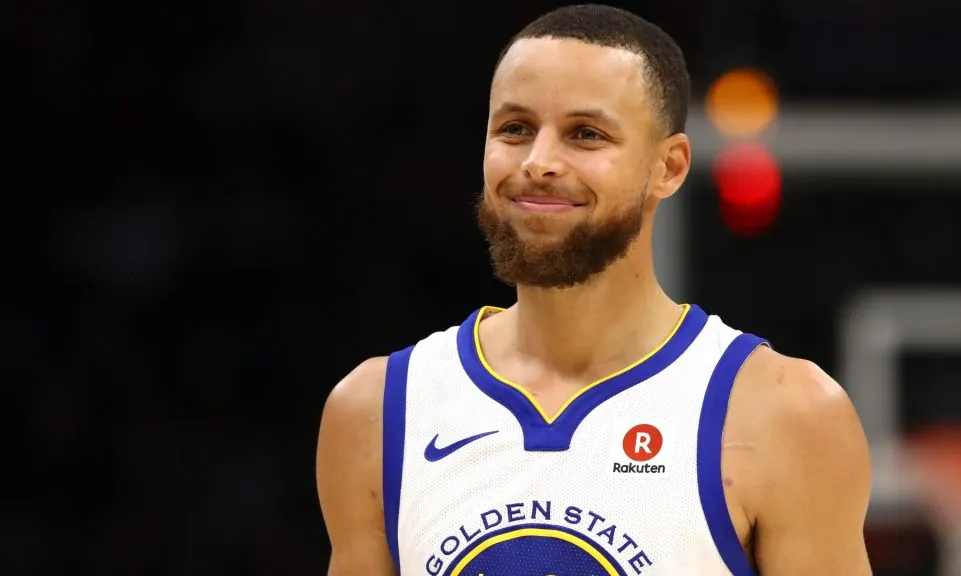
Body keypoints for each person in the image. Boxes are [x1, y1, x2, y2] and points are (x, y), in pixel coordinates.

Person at [316, 4, 872, 575]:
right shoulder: (376, 412)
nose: (539, 162)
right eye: (515, 129)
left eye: (586, 134)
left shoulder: (785, 414)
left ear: (670, 168)